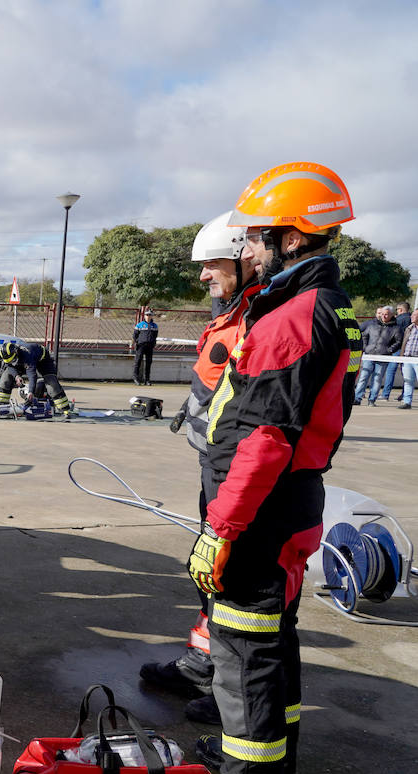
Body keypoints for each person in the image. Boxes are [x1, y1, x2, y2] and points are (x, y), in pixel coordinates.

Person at [188, 162, 360, 774]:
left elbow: (264, 434)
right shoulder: (322, 303)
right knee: (272, 644)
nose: (248, 250)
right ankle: (267, 768)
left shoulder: (294, 315)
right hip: (290, 501)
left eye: (257, 237)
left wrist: (220, 529)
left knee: (242, 655)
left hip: (260, 508)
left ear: (292, 237)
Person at [144, 212, 260, 726]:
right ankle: (201, 664)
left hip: (241, 473)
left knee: (233, 582)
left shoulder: (261, 316)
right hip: (216, 467)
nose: (204, 276)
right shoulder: (235, 311)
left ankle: (231, 690)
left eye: (212, 265)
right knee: (209, 573)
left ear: (243, 258)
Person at [0, 341, 75, 417]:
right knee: (6, 376)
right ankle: (0, 405)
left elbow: (32, 375)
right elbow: (9, 366)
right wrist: (17, 376)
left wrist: (31, 392)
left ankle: (65, 409)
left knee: (51, 384)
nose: (11, 362)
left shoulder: (27, 354)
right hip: (20, 361)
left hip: (43, 361)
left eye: (12, 360)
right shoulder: (9, 357)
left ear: (16, 352)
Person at [355, 306, 402, 405]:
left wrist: (389, 350)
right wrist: (365, 347)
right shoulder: (372, 325)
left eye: (386, 314)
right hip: (369, 355)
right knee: (363, 377)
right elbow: (365, 336)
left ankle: (372, 399)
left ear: (392, 315)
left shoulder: (396, 328)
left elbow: (398, 342)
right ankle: (357, 398)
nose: (383, 316)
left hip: (382, 357)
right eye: (382, 314)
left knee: (377, 379)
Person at [131, 309, 159, 385]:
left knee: (148, 363)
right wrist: (137, 342)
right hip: (141, 346)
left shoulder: (155, 325)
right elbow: (135, 335)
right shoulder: (140, 325)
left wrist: (153, 343)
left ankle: (147, 380)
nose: (148, 316)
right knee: (138, 362)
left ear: (152, 316)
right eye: (147, 315)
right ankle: (136, 378)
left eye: (150, 315)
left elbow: (155, 335)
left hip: (150, 346)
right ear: (144, 316)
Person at [399, 315, 418, 409]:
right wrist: (401, 358)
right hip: (407, 358)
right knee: (407, 381)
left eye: (414, 315)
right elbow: (404, 343)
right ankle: (407, 402)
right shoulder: (409, 328)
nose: (412, 316)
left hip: (417, 359)